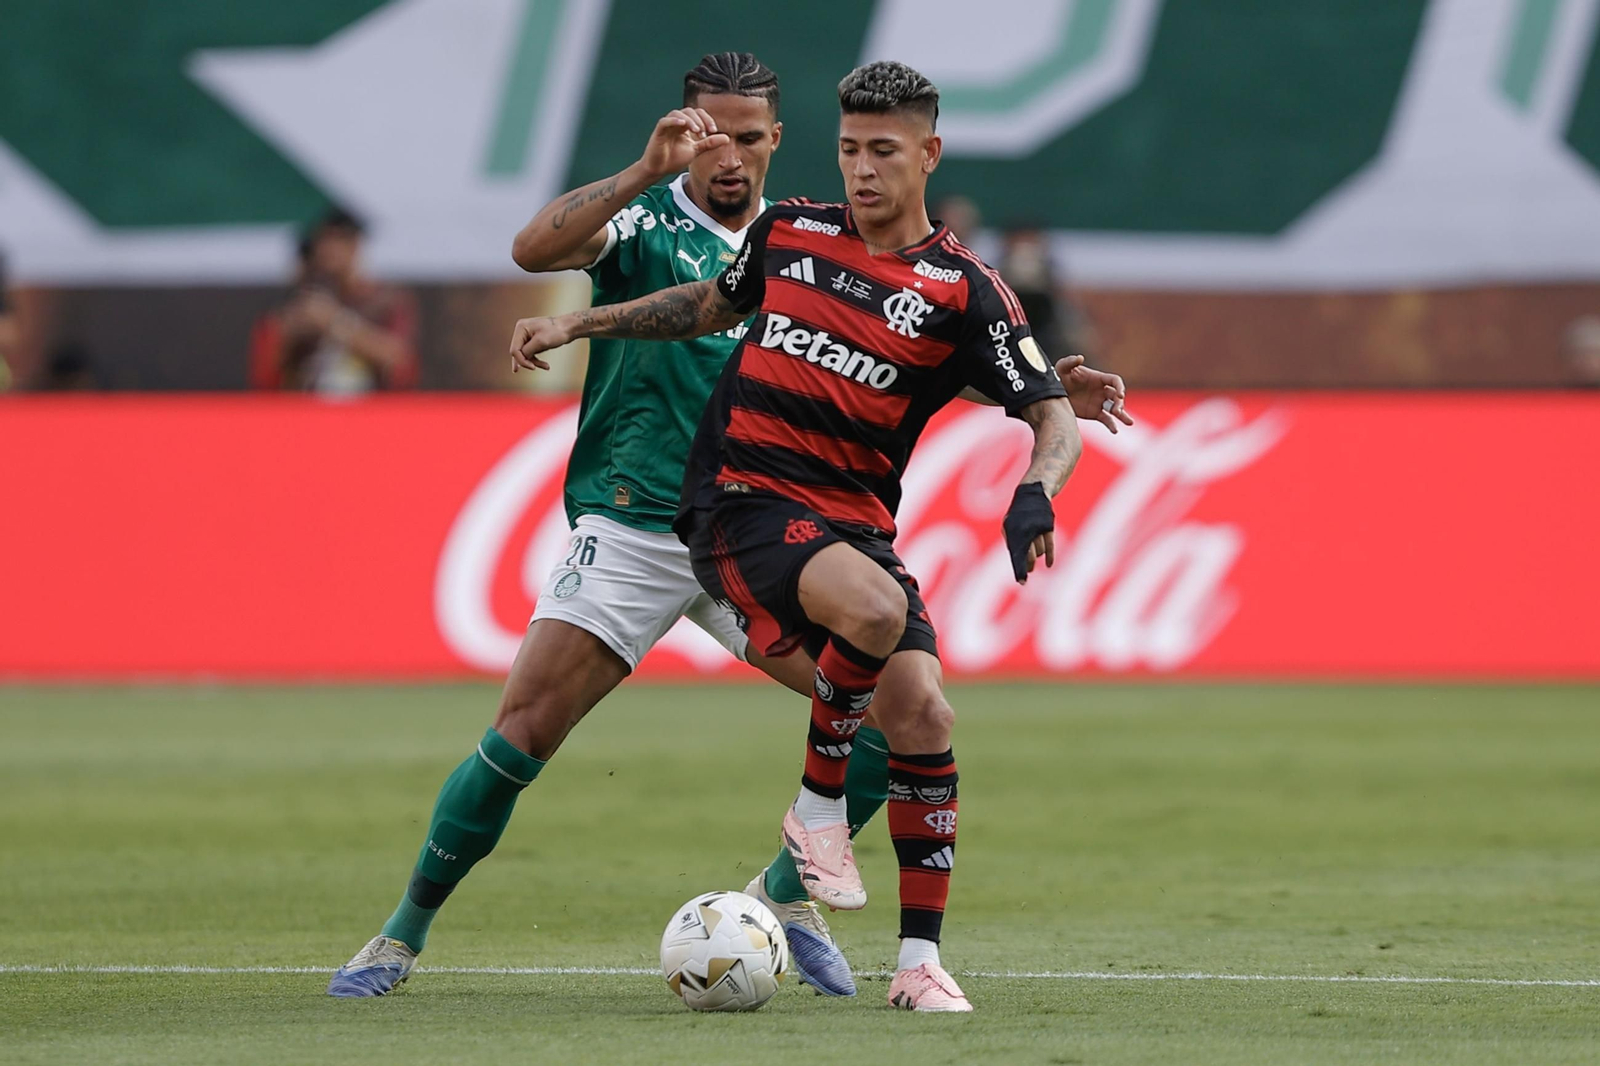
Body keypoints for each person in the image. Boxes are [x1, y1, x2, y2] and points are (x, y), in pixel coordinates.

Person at [510, 61, 1129, 1012]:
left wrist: (1037, 492)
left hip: (851, 523)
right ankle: (817, 815)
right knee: (876, 610)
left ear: (929, 154)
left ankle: (919, 964)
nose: (862, 170)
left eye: (883, 151)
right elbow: (706, 307)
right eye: (849, 149)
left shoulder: (968, 293)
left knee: (924, 715)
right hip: (738, 499)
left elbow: (1047, 414)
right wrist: (581, 323)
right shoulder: (791, 229)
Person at [249, 207, 419, 394]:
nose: (329, 250)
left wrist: (334, 322)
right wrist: (288, 331)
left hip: (371, 411)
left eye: (338, 240)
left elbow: (400, 362)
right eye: (323, 241)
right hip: (309, 412)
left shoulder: (385, 301)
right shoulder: (300, 301)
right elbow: (266, 376)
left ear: (355, 245)